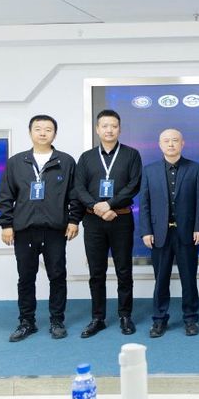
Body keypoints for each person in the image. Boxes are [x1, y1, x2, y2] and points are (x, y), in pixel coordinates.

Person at [0, 114, 81, 342]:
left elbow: (75, 195)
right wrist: (6, 224)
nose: (43, 133)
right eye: (38, 128)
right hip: (24, 230)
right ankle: (27, 322)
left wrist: (74, 220)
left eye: (48, 129)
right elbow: (5, 195)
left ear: (55, 133)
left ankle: (57, 321)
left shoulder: (66, 161)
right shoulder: (16, 162)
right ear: (30, 132)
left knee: (57, 276)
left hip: (55, 230)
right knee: (25, 277)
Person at [74, 109, 142, 338]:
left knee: (124, 269)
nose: (109, 130)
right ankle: (98, 318)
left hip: (121, 218)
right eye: (105, 126)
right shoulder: (86, 157)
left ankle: (125, 315)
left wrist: (110, 204)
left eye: (113, 126)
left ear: (119, 129)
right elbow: (79, 188)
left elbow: (134, 185)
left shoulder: (131, 155)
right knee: (96, 271)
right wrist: (97, 208)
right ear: (97, 129)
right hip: (93, 221)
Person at [138, 129, 199, 338]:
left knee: (189, 278)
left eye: (175, 140)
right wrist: (146, 231)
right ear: (160, 144)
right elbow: (144, 204)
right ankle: (159, 320)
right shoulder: (149, 170)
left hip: (187, 233)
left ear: (182, 143)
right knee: (161, 279)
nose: (171, 144)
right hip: (159, 234)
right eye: (166, 141)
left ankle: (191, 319)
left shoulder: (195, 169)